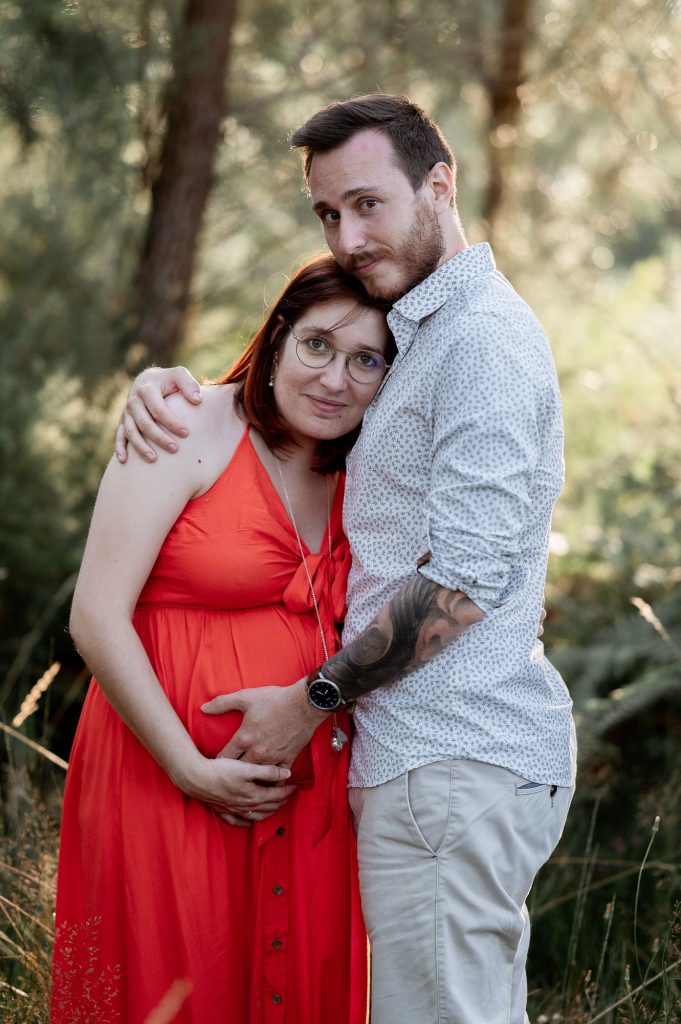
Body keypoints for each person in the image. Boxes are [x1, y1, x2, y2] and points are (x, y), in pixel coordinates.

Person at [116, 95, 577, 1024]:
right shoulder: (423, 334)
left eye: (368, 204)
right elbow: (297, 399)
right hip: (424, 764)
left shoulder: (479, 339)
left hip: (450, 757)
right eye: (328, 213)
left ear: (438, 185)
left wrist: (310, 701)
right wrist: (169, 387)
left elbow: (465, 580)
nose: (349, 237)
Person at [51, 256, 393, 1024]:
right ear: (277, 338)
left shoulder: (367, 466)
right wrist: (188, 767)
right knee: (174, 982)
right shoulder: (186, 424)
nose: (334, 380)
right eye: (316, 346)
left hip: (311, 798)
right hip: (160, 776)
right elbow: (95, 616)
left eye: (365, 360)